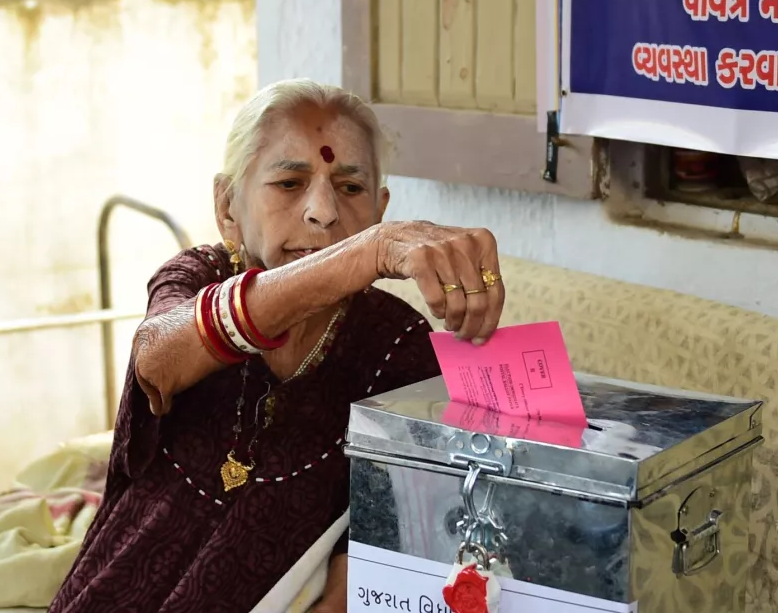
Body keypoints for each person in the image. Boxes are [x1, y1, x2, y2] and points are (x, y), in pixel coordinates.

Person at [50, 79, 506, 612]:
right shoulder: (197, 277)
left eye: (350, 189)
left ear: (380, 208)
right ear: (228, 208)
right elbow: (157, 359)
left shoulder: (397, 343)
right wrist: (366, 254)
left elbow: (381, 525)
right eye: (290, 183)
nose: (323, 211)